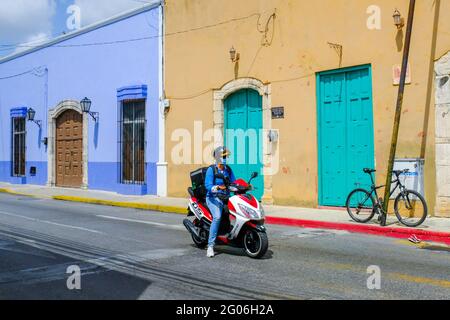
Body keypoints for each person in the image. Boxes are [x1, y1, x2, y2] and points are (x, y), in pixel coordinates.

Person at [204, 146, 236, 258]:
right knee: (217, 217)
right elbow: (208, 186)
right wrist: (218, 187)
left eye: (226, 156)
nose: (225, 158)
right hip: (213, 198)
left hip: (226, 197)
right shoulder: (211, 170)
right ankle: (210, 246)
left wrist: (243, 187)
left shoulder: (228, 169)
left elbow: (233, 183)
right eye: (223, 156)